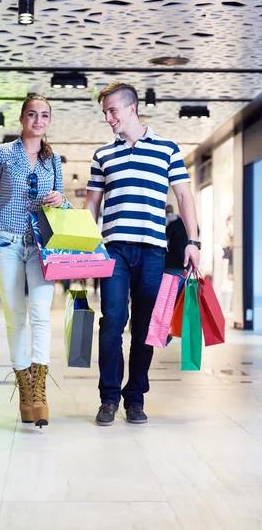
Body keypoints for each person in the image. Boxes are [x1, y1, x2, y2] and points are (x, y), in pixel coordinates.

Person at [84, 82, 200, 426]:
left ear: (131, 108)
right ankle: (108, 398)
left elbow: (184, 196)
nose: (108, 118)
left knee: (146, 328)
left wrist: (193, 242)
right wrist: (80, 248)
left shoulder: (167, 148)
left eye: (112, 111)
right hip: (114, 251)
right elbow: (92, 203)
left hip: (153, 251)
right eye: (105, 112)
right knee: (111, 324)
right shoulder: (103, 154)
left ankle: (135, 399)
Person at [0, 95, 66, 428]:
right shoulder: (4, 154)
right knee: (14, 317)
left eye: (44, 115)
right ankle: (25, 390)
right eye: (32, 114)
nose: (38, 119)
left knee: (40, 313)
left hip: (41, 246)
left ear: (49, 121)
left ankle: (40, 390)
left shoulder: (54, 160)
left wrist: (60, 199)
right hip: (6, 242)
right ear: (21, 119)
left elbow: (61, 207)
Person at [165, 203, 189, 276]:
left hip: (172, 262)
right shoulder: (193, 227)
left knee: (170, 286)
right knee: (184, 286)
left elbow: (166, 239)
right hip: (185, 261)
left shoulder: (173, 224)